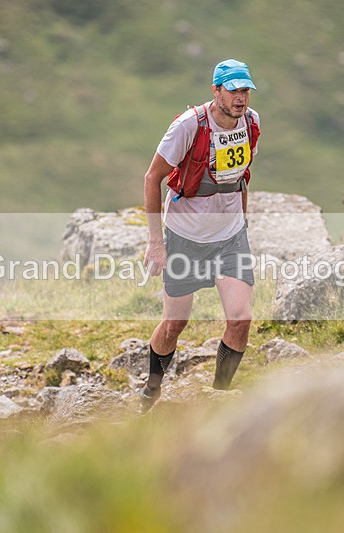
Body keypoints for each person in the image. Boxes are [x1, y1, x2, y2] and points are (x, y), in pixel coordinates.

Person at [140, 59, 261, 412]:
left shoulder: (251, 123)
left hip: (230, 237)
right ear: (216, 90)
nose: (240, 98)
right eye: (233, 90)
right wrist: (156, 243)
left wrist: (243, 224)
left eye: (245, 91)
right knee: (175, 324)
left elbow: (241, 176)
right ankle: (151, 388)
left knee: (240, 319)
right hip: (185, 237)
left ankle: (219, 398)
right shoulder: (188, 125)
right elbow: (152, 178)